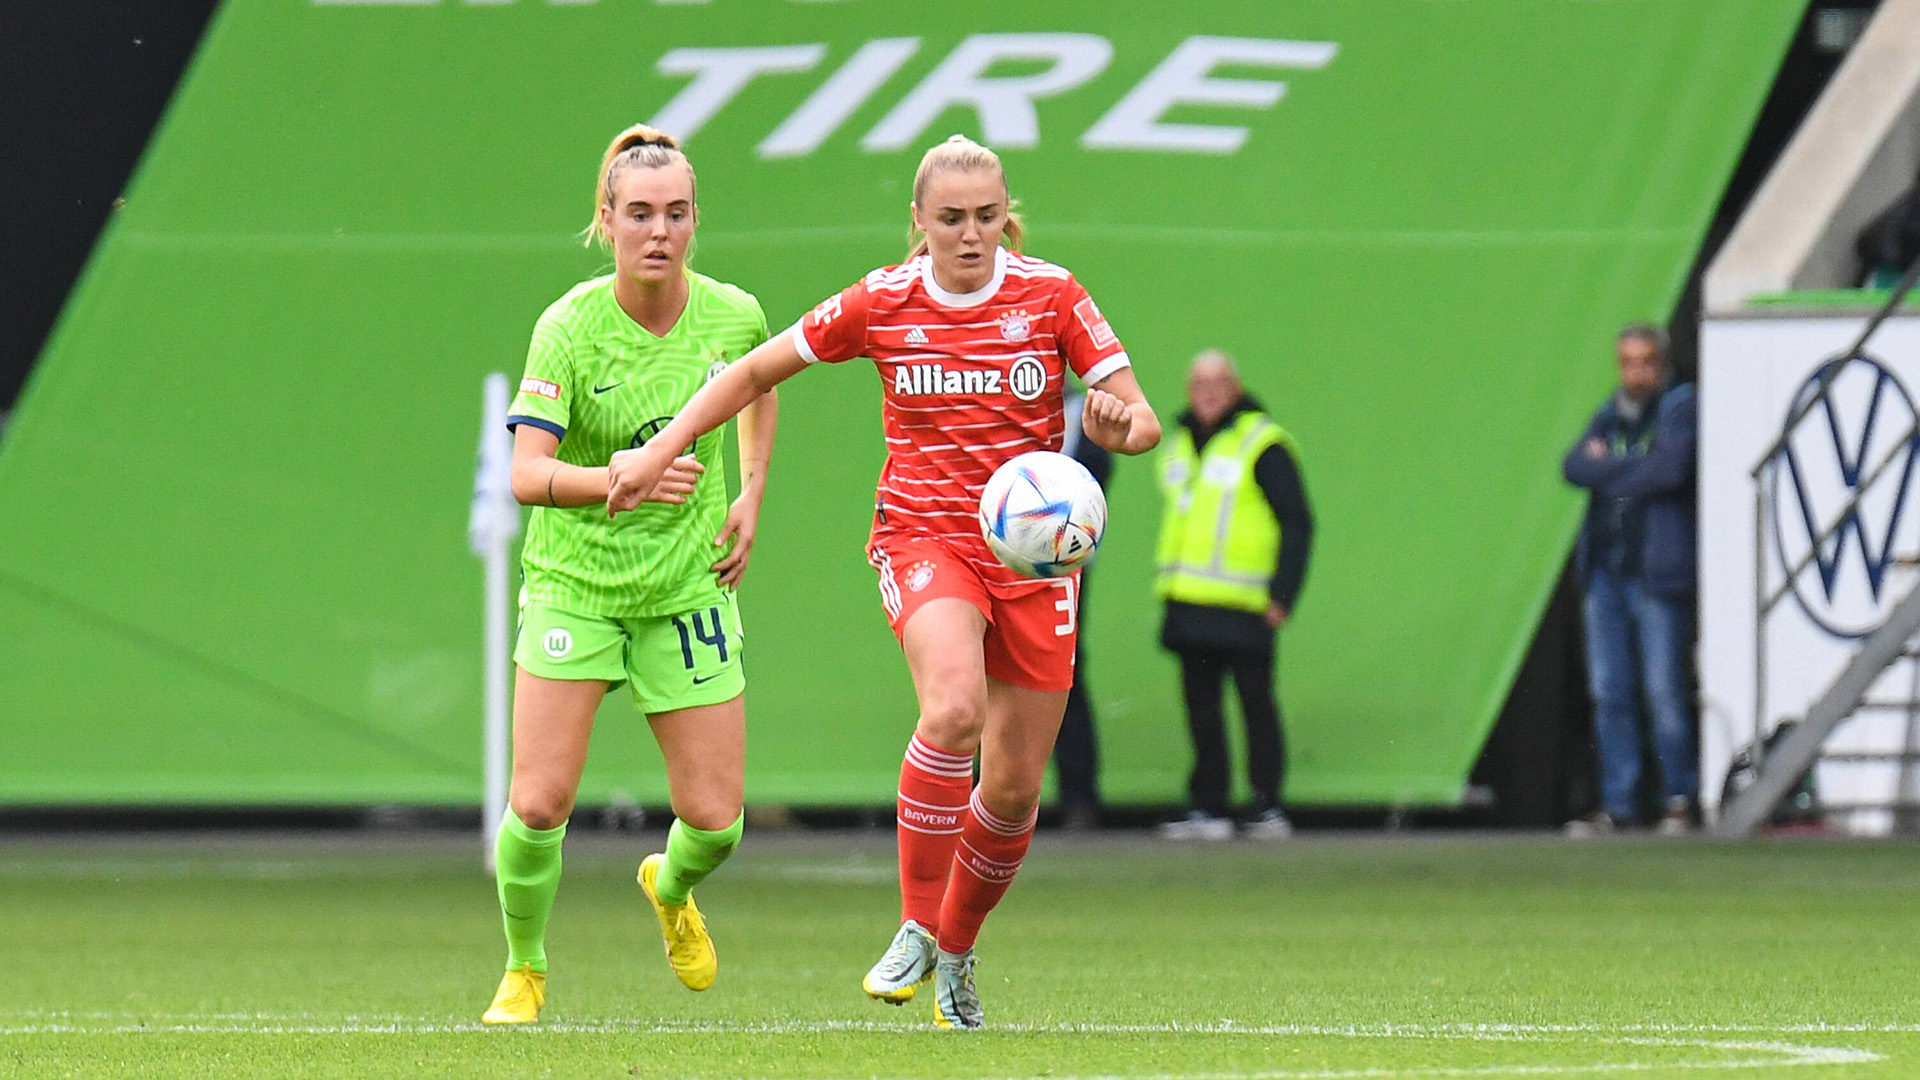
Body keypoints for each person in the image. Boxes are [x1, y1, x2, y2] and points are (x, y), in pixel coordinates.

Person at [604, 134, 1161, 1029]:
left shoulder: (1052, 295)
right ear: (919, 222)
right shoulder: (884, 301)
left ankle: (957, 952)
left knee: (1015, 791)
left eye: (985, 216)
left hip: (1033, 558)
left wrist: (1116, 422)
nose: (970, 236)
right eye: (950, 220)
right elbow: (753, 370)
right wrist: (667, 446)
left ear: (1004, 214)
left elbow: (1141, 421)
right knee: (951, 710)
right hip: (925, 535)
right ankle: (912, 925)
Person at [481, 124, 779, 1025]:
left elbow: (763, 383)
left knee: (718, 821)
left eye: (677, 214)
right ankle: (524, 969)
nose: (660, 231)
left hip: (686, 587)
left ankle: (670, 886)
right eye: (639, 213)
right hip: (578, 586)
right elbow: (525, 476)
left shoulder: (732, 314)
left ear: (696, 222)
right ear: (605, 221)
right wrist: (620, 476)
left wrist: (751, 494)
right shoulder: (569, 329)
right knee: (538, 802)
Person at [1154, 350, 1313, 841]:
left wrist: (1283, 593)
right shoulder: (1179, 445)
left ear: (1236, 386)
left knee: (1255, 704)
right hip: (1189, 603)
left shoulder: (1262, 443)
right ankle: (1209, 805)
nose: (1209, 391)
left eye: (1219, 381)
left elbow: (1297, 521)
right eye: (1200, 382)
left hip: (1246, 605)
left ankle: (1266, 804)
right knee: (1201, 708)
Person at [1562, 324, 1698, 836]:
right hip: (1605, 572)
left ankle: (1678, 797)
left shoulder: (1681, 406)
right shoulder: (1609, 410)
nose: (1635, 373)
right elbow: (1573, 466)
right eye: (1626, 362)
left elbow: (1669, 470)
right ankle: (1620, 803)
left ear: (1661, 364)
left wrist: (1613, 467)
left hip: (1655, 572)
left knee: (1663, 690)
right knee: (1609, 692)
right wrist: (1631, 465)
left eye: (1644, 362)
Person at [1052, 390, 1114, 830]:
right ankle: (980, 792)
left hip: (1062, 562)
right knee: (982, 671)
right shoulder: (992, 397)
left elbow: (1096, 481)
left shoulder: (1082, 411)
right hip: (992, 556)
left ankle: (1079, 796)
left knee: (1064, 668)